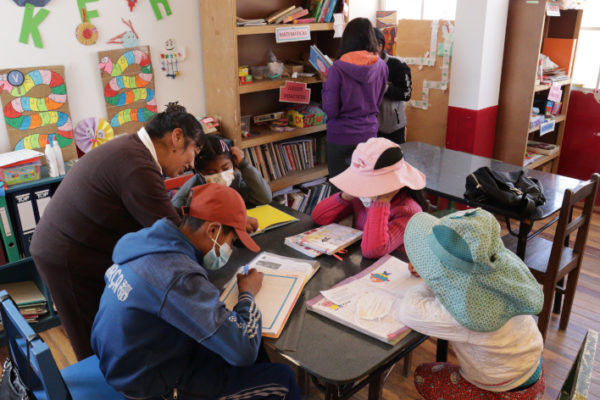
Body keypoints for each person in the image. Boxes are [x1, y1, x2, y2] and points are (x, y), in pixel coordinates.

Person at [91, 183, 300, 400]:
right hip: (151, 386)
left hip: (126, 360)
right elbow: (243, 350)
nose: (231, 247)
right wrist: (247, 294)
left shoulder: (149, 243)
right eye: (232, 240)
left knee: (245, 349)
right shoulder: (177, 274)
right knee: (281, 379)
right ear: (212, 230)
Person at [30, 102, 203, 360]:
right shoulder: (137, 165)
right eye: (194, 152)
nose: (191, 163)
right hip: (66, 256)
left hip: (76, 246)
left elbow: (163, 216)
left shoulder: (132, 149)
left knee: (110, 325)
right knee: (90, 339)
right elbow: (174, 236)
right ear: (176, 137)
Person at [399, 208, 545, 398]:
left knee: (423, 375)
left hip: (504, 389)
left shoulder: (467, 312)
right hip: (531, 368)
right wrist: (437, 275)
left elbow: (408, 310)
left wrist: (432, 278)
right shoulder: (499, 276)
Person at [312, 137, 427, 259]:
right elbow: (319, 218)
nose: (364, 188)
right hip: (365, 262)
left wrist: (382, 201)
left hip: (393, 267)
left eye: (368, 183)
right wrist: (347, 194)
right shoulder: (361, 197)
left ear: (395, 185)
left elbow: (373, 251)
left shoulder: (409, 212)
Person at [321, 17, 388, 181]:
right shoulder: (382, 66)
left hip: (340, 136)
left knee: (341, 192)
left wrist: (325, 84)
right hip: (369, 135)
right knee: (365, 190)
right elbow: (378, 101)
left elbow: (331, 110)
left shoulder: (337, 69)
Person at [172, 134, 272, 209]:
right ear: (200, 172)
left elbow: (264, 198)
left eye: (225, 168)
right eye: (211, 172)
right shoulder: (193, 188)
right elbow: (176, 209)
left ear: (233, 163)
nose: (221, 175)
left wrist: (244, 165)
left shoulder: (236, 180)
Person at [374, 27, 412, 145]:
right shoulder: (363, 66)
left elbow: (406, 94)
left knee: (395, 161)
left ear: (380, 46)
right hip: (371, 127)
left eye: (368, 47)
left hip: (394, 127)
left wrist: (385, 88)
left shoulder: (397, 64)